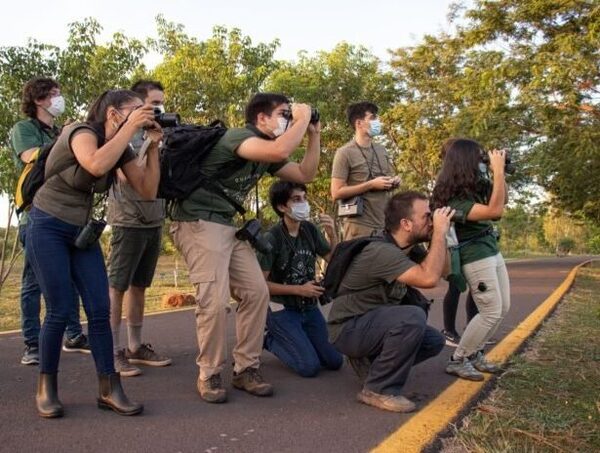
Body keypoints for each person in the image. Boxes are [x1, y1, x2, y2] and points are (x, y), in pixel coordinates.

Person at [170, 92, 321, 403]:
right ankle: (209, 373)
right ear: (260, 119)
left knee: (256, 291)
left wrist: (313, 134)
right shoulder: (239, 137)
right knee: (213, 301)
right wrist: (302, 117)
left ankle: (246, 368)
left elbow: (305, 174)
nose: (288, 119)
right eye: (283, 113)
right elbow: (280, 147)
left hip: (228, 225)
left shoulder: (265, 155)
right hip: (199, 221)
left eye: (289, 115)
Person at [27, 89, 161, 417]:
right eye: (135, 110)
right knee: (59, 310)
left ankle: (109, 389)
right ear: (113, 113)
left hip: (81, 232)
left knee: (100, 310)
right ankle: (46, 388)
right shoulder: (80, 132)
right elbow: (95, 163)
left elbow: (147, 189)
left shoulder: (123, 146)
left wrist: (153, 145)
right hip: (47, 225)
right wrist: (131, 129)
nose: (144, 114)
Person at [327, 191, 450, 412]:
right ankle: (378, 389)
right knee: (412, 317)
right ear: (406, 224)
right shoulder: (381, 251)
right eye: (427, 217)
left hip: (369, 323)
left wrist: (441, 237)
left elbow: (445, 271)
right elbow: (429, 278)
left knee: (432, 340)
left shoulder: (409, 248)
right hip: (347, 328)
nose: (432, 222)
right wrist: (439, 234)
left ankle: (371, 366)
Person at [9, 77, 90, 366]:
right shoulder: (25, 129)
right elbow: (30, 156)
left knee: (68, 279)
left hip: (64, 211)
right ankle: (32, 343)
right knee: (33, 282)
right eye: (54, 94)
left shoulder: (58, 131)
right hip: (35, 214)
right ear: (39, 100)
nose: (59, 98)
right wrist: (67, 143)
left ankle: (73, 334)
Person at [431, 138, 510, 381]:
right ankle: (458, 359)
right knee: (490, 310)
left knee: (502, 307)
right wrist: (496, 172)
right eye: (479, 158)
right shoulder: (452, 198)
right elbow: (494, 212)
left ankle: (475, 353)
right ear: (465, 162)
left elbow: (502, 201)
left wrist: (501, 173)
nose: (482, 162)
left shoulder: (475, 185)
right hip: (474, 255)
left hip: (490, 248)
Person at [107, 80, 170, 377]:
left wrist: (159, 142)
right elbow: (126, 177)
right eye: (153, 103)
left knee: (140, 287)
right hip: (127, 221)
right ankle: (113, 351)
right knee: (117, 288)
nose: (159, 108)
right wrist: (149, 144)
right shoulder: (123, 138)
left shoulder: (159, 135)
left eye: (161, 103)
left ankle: (135, 346)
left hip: (154, 219)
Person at [259, 180, 343, 377]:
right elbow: (260, 284)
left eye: (304, 198)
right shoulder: (272, 238)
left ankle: (299, 337)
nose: (303, 203)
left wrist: (332, 235)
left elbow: (334, 260)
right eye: (296, 199)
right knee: (308, 367)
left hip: (308, 306)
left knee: (334, 361)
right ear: (282, 206)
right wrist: (298, 290)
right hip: (282, 308)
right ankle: (270, 339)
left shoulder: (309, 230)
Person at [331, 101, 400, 240]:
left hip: (385, 225)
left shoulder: (382, 150)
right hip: (359, 227)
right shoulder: (344, 153)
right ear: (359, 123)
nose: (377, 122)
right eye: (373, 118)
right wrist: (370, 185)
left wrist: (394, 181)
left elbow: (387, 178)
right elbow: (336, 192)